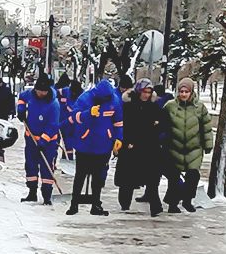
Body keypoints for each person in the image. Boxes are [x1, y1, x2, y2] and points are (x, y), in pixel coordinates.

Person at [66, 71, 124, 217]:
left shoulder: (114, 100)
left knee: (98, 177)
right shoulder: (85, 99)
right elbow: (74, 117)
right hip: (85, 144)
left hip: (104, 145)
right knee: (80, 175)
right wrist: (88, 113)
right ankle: (74, 204)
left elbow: (118, 122)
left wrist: (118, 138)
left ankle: (96, 204)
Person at [160, 77, 210, 213]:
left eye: (186, 91)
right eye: (181, 91)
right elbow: (162, 124)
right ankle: (172, 204)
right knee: (174, 178)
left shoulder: (200, 107)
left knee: (193, 176)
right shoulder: (170, 106)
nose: (183, 94)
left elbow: (206, 127)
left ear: (191, 92)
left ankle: (187, 200)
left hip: (194, 148)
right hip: (174, 147)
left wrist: (208, 144)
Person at [116, 78, 165, 216]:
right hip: (131, 146)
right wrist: (126, 141)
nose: (146, 95)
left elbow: (160, 124)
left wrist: (157, 127)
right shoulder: (129, 106)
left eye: (149, 92)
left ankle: (155, 205)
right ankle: (125, 203)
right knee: (128, 178)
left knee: (152, 177)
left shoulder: (154, 107)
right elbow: (125, 125)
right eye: (144, 92)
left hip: (149, 146)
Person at [15, 73, 62, 205]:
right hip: (31, 139)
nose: (41, 93)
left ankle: (47, 196)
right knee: (30, 166)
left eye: (43, 91)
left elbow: (53, 126)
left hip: (48, 143)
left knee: (47, 169)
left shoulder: (54, 105)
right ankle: (32, 192)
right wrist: (21, 109)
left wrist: (43, 141)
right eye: (39, 91)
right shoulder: (30, 94)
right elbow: (22, 97)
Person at [57, 74, 79, 161]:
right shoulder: (66, 91)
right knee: (56, 143)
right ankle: (53, 162)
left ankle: (68, 160)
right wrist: (59, 101)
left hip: (73, 124)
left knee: (69, 144)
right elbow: (55, 92)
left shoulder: (82, 96)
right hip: (61, 120)